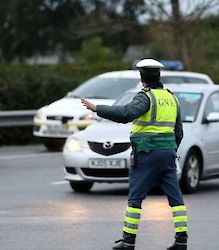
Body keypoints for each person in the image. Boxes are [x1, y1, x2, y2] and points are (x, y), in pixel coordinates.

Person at [81, 58, 188, 250]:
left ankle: (128, 242)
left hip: (147, 153)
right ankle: (181, 241)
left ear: (141, 77)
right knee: (176, 198)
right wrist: (171, 149)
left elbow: (126, 113)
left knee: (136, 198)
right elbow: (179, 131)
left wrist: (97, 109)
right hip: (167, 154)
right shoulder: (172, 98)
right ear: (159, 75)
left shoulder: (146, 97)